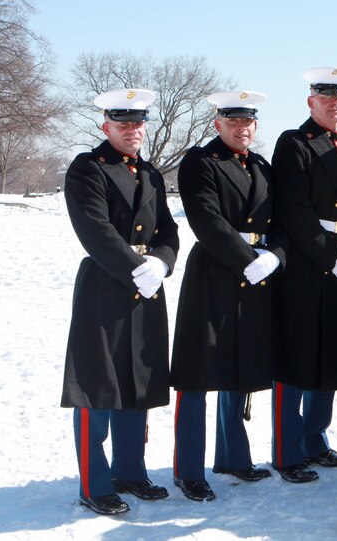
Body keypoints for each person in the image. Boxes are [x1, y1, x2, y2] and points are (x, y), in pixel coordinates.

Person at [61, 88, 179, 515]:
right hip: (106, 283)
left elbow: (169, 230)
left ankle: (131, 470)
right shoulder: (87, 168)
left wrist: (163, 263)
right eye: (124, 123)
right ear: (105, 126)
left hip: (148, 284)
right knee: (98, 386)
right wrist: (138, 268)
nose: (133, 130)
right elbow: (95, 230)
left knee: (139, 381)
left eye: (138, 123)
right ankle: (94, 484)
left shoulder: (149, 173)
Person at [169, 90, 287, 501]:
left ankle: (234, 457)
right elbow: (205, 219)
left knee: (241, 369)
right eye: (233, 121)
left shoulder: (262, 166)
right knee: (197, 375)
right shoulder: (201, 162)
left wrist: (275, 256)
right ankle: (188, 470)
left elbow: (283, 222)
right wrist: (245, 259)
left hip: (256, 273)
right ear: (217, 123)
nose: (242, 129)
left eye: (248, 122)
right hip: (215, 274)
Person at [270, 67, 337, 483]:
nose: (334, 104)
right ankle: (287, 450)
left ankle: (315, 439)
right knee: (295, 356)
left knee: (330, 353)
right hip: (306, 264)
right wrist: (330, 255)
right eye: (325, 97)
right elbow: (293, 209)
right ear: (311, 101)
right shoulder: (294, 144)